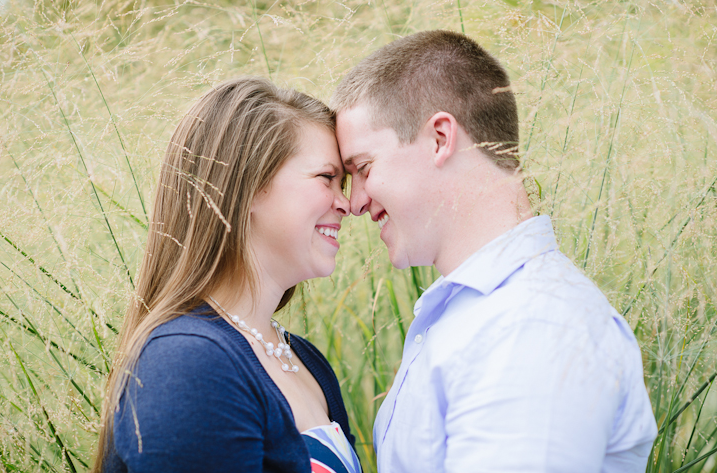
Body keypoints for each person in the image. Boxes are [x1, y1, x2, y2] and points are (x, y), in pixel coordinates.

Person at [332, 30, 657, 472]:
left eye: (364, 168)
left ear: (440, 139)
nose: (354, 202)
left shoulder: (533, 326)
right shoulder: (476, 313)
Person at [93, 77, 361, 473]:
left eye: (345, 183)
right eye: (326, 178)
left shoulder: (305, 360)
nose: (348, 203)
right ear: (249, 185)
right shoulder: (188, 362)